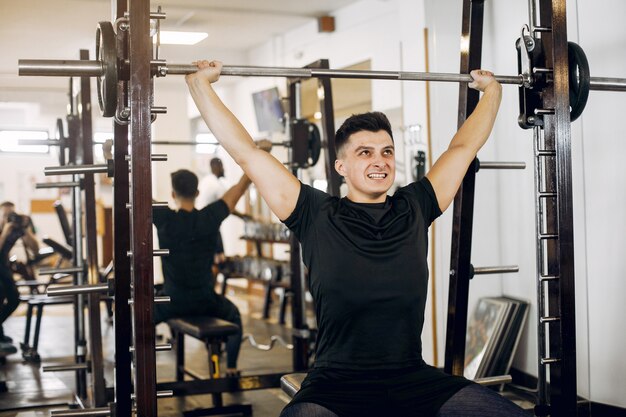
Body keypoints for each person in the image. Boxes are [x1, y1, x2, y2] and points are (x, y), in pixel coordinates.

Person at [186, 61, 527, 417]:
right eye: (365, 153)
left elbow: (462, 148)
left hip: (411, 379)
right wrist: (200, 84)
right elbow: (247, 153)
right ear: (340, 167)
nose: (379, 161)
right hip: (335, 384)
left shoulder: (415, 206)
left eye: (387, 152)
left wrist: (494, 91)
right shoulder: (314, 214)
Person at [153, 167, 263, 375]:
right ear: (197, 193)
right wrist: (257, 154)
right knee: (235, 316)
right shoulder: (209, 217)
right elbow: (239, 189)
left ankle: (135, 372)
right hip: (205, 300)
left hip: (172, 302)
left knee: (137, 319)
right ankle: (231, 368)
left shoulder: (164, 218)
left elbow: (133, 192)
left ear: (173, 194)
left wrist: (110, 160)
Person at [0, 202, 39, 356]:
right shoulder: (4, 229)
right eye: (5, 216)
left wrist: (25, 231)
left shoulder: (16, 229)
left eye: (11, 215)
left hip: (3, 267)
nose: (9, 219)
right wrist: (5, 232)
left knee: (14, 299)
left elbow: (35, 249)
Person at [197, 157, 229, 267]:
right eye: (222, 166)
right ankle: (212, 284)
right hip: (210, 226)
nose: (223, 169)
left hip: (201, 224)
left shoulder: (205, 181)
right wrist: (244, 216)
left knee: (211, 258)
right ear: (216, 167)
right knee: (218, 260)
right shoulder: (216, 184)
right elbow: (228, 205)